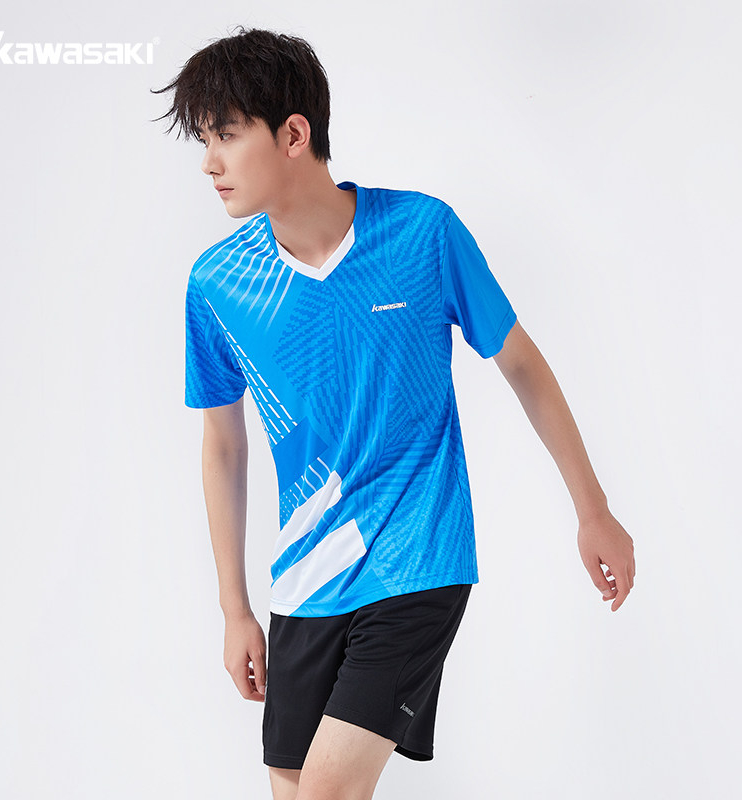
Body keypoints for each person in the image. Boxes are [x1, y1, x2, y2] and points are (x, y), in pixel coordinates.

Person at [151, 25, 636, 800]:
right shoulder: (217, 284)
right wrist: (234, 608)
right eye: (204, 140)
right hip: (305, 579)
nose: (209, 162)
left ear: (293, 135)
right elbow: (223, 446)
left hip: (418, 557)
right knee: (292, 788)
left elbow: (521, 364)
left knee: (327, 793)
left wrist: (593, 510)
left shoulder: (421, 233)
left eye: (227, 135)